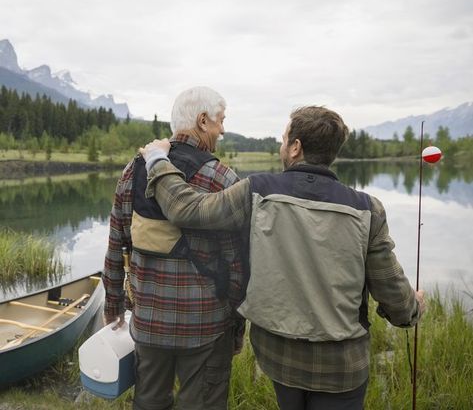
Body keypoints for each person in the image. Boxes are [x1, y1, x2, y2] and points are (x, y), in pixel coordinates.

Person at [140, 105, 426, 410]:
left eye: (283, 138)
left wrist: (157, 159)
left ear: (295, 147)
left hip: (279, 360)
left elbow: (187, 209)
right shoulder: (368, 209)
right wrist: (414, 308)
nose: (281, 145)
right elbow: (393, 295)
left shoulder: (256, 191)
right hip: (342, 366)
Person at [102, 86, 246, 410]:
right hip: (207, 326)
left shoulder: (132, 171)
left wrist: (113, 305)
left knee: (150, 403)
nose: (223, 129)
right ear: (203, 120)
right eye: (221, 121)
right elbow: (238, 264)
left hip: (149, 322)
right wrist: (236, 324)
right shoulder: (222, 178)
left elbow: (116, 245)